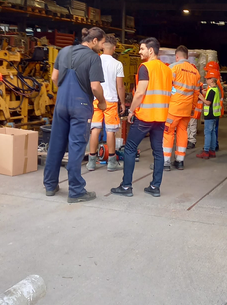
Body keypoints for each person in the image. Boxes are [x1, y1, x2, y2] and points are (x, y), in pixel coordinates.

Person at [44, 27, 106, 203]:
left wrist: (65, 93)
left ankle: (50, 185)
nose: (102, 47)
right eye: (101, 43)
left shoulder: (63, 51)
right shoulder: (94, 58)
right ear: (94, 41)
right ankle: (76, 190)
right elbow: (95, 87)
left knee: (56, 144)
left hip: (61, 104)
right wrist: (102, 101)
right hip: (80, 106)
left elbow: (54, 78)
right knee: (76, 147)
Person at [111, 37, 173, 198]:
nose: (139, 52)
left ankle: (126, 187)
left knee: (130, 148)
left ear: (150, 51)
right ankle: (155, 187)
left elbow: (140, 92)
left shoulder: (145, 67)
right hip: (160, 117)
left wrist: (131, 111)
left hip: (145, 116)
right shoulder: (167, 70)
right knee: (158, 151)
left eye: (142, 49)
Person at [86, 34, 126, 172]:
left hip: (96, 99)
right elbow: (120, 86)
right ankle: (111, 161)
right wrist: (122, 102)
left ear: (102, 46)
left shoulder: (94, 60)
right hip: (110, 101)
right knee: (110, 131)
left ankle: (91, 162)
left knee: (95, 129)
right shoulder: (117, 64)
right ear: (114, 48)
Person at [161, 45, 200, 171]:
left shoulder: (173, 68)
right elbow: (196, 94)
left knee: (168, 132)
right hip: (187, 109)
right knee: (183, 132)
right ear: (187, 57)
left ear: (176, 57)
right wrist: (193, 108)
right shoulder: (196, 72)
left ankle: (166, 161)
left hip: (174, 108)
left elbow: (166, 88)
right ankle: (180, 161)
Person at [196, 69, 221, 159]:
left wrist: (200, 97)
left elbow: (208, 103)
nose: (206, 80)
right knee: (213, 132)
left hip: (209, 115)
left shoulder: (211, 91)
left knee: (207, 133)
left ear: (211, 80)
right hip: (215, 115)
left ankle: (206, 151)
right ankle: (212, 150)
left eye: (207, 79)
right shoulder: (216, 89)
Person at [204, 61, 224, 151]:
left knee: (210, 131)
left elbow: (210, 100)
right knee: (212, 131)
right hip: (215, 110)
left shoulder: (215, 85)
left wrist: (201, 96)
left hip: (212, 111)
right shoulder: (216, 85)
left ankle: (209, 148)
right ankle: (212, 147)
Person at [187, 80, 204, 149]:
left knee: (192, 125)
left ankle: (191, 141)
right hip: (188, 108)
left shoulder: (198, 85)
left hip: (194, 109)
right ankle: (188, 140)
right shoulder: (196, 84)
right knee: (188, 125)